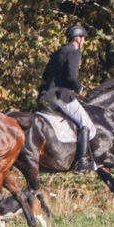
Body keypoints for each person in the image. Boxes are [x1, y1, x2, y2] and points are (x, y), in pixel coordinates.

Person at [40, 24, 95, 171]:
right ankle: (82, 160)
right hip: (62, 96)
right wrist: (79, 88)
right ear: (77, 38)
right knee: (85, 123)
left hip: (46, 95)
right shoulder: (74, 52)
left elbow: (45, 76)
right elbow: (72, 76)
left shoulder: (57, 53)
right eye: (83, 38)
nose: (84, 41)